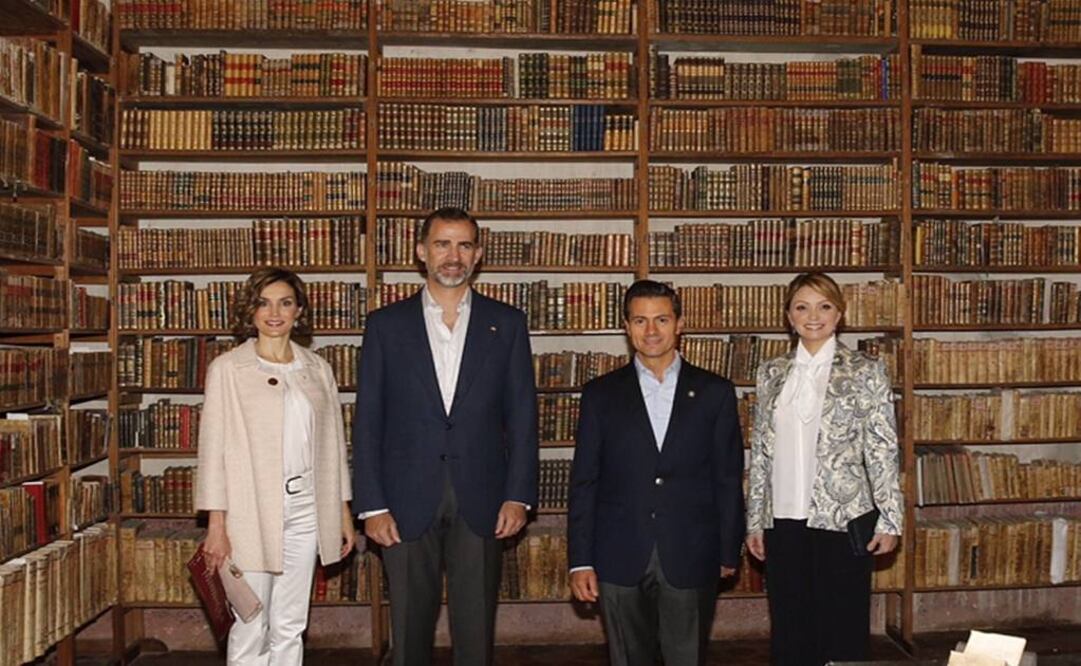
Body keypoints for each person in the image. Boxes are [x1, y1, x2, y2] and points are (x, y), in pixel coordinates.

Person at [352, 206, 538, 666]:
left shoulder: (507, 323)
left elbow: (522, 417)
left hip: (485, 500)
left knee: (476, 634)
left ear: (478, 254)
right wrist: (372, 505)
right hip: (403, 501)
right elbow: (368, 420)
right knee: (409, 635)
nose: (452, 256)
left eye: (464, 245)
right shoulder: (385, 325)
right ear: (421, 252)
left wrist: (518, 496)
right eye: (442, 244)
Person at [568, 279, 746, 666]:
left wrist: (727, 547)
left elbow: (728, 477)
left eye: (661, 319)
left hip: (691, 550)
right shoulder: (600, 394)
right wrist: (581, 560)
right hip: (618, 554)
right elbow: (584, 481)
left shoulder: (714, 392)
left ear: (679, 324)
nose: (651, 331)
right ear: (627, 327)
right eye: (640, 321)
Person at [196, 267, 356, 665]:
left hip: (306, 510)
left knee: (290, 622)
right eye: (264, 303)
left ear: (298, 310)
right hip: (249, 514)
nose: (274, 313)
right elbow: (212, 452)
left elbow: (334, 446)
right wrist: (217, 527)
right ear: (250, 310)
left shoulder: (318, 369)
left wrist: (343, 511)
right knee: (250, 619)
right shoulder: (228, 369)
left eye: (285, 303)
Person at [745, 272, 904, 666]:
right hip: (783, 521)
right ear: (788, 315)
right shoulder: (770, 373)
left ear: (839, 314)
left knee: (843, 630)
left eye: (824, 306)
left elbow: (882, 448)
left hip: (843, 518)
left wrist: (890, 519)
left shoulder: (866, 371)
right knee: (790, 629)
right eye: (802, 306)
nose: (812, 316)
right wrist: (754, 520)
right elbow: (761, 453)